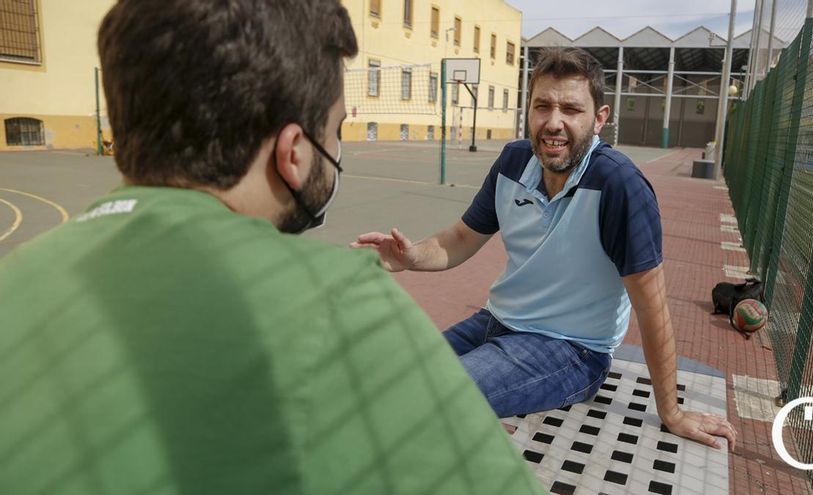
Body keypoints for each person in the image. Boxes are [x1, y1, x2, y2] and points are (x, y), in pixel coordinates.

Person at [0, 1, 545, 494]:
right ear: (293, 153)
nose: (335, 149)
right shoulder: (338, 301)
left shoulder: (17, 275)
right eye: (334, 132)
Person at [353, 47, 737, 451]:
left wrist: (671, 411)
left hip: (569, 348)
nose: (554, 123)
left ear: (599, 119)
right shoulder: (513, 161)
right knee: (392, 379)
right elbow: (462, 238)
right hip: (496, 321)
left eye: (571, 109)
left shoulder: (618, 186)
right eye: (543, 106)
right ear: (529, 110)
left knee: (429, 397)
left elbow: (651, 304)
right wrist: (412, 256)